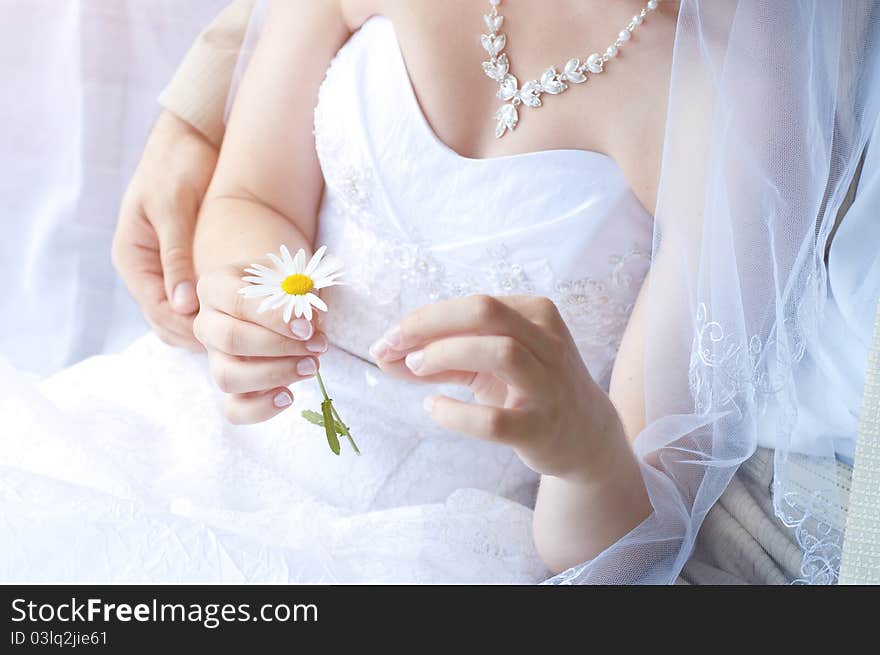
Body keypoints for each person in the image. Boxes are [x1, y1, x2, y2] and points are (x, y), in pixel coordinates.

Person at [2, 0, 878, 584]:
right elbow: (251, 200)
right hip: (193, 434)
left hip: (437, 536)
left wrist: (582, 451)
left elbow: (627, 544)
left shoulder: (733, 101)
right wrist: (241, 305)